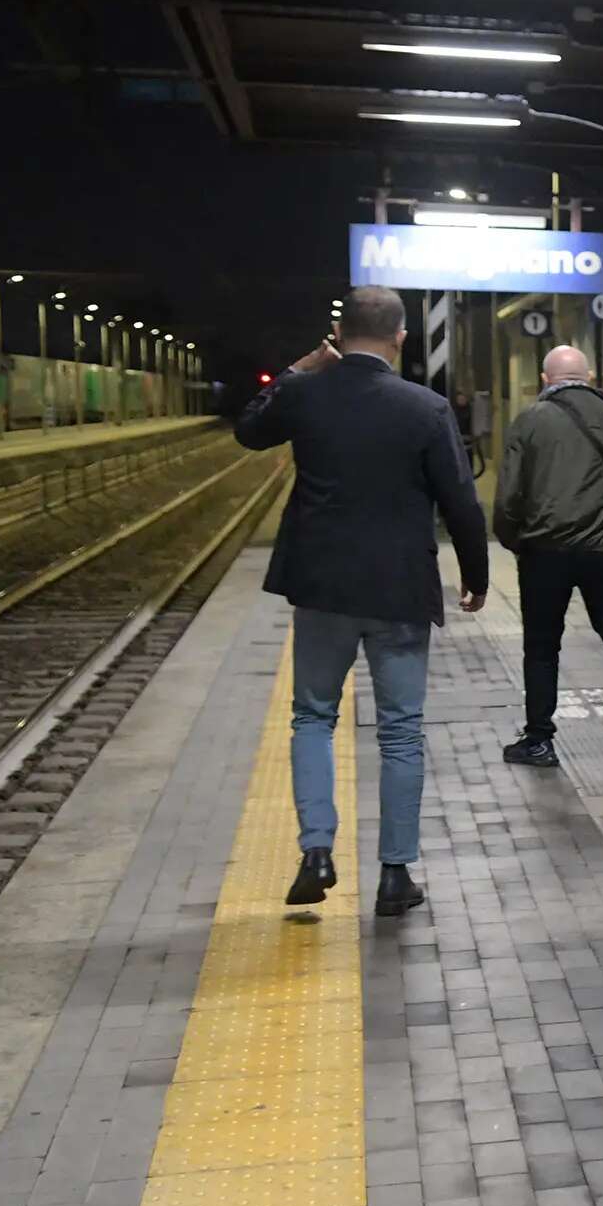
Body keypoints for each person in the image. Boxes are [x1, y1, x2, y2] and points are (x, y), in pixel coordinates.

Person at [235, 285, 489, 917]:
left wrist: (299, 367)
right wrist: (476, 575)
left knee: (313, 717)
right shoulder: (425, 407)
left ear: (340, 335)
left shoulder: (303, 392)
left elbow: (248, 430)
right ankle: (395, 875)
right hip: (400, 588)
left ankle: (317, 851)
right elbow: (461, 501)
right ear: (400, 338)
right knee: (401, 729)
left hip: (320, 587)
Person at [495, 346, 603, 780]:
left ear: (545, 379)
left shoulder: (530, 421)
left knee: (541, 646)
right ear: (589, 377)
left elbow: (508, 495)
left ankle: (539, 739)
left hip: (545, 552)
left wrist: (514, 539)